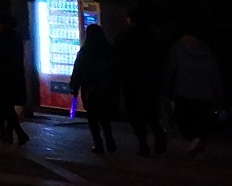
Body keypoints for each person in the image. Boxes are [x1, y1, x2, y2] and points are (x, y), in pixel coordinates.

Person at [113, 8, 168, 156]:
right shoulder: (152, 36)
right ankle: (159, 137)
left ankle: (144, 145)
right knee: (151, 112)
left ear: (130, 19)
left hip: (130, 81)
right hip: (150, 81)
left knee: (135, 115)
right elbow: (161, 58)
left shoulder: (124, 37)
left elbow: (117, 59)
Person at [164, 33, 224, 158]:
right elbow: (214, 74)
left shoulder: (177, 50)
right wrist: (217, 93)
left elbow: (171, 69)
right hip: (205, 92)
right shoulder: (207, 52)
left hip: (183, 90)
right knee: (201, 120)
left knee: (184, 119)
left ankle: (195, 141)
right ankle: (198, 141)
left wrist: (168, 87)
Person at [69, 23, 120, 154]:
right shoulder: (109, 49)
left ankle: (98, 144)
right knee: (105, 115)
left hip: (90, 88)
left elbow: (78, 70)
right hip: (106, 87)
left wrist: (74, 86)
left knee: (92, 117)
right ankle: (110, 140)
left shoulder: (85, 51)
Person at [0, 15, 30, 146]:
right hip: (15, 75)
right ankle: (10, 135)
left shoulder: (1, 37)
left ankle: (19, 133)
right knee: (9, 105)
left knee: (4, 105)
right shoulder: (17, 37)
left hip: (3, 76)